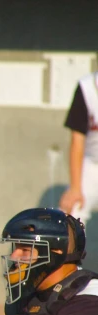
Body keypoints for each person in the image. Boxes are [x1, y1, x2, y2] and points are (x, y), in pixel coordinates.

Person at [59, 72, 98, 228]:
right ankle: (70, 253)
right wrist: (75, 188)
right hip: (93, 165)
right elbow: (77, 139)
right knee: (71, 213)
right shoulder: (87, 87)